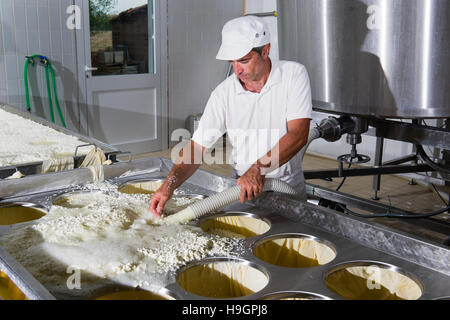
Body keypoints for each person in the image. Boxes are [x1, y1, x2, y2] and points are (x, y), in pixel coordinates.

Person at [150, 15, 312, 217]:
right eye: (232, 61)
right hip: (241, 186)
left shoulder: (293, 75)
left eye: (244, 60)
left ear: (265, 50)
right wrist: (168, 186)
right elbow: (196, 147)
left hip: (286, 182)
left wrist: (259, 169)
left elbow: (298, 134)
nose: (237, 70)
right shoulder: (224, 93)